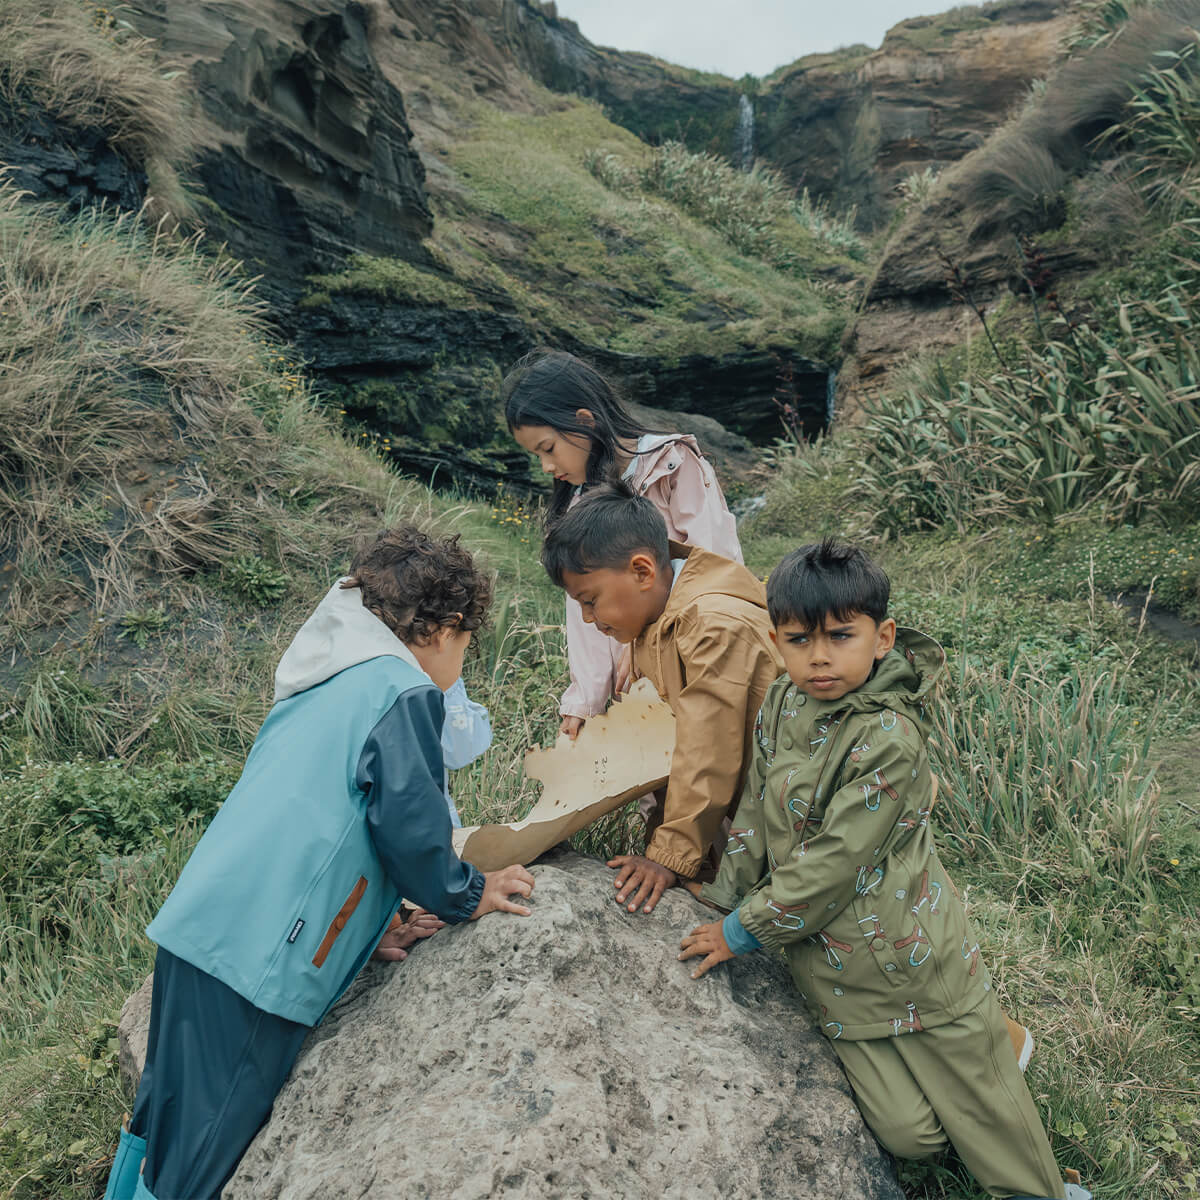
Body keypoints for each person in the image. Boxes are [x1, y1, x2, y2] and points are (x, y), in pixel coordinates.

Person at [102, 527, 535, 1200]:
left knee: (163, 1116)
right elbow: (408, 826)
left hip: (205, 929)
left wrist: (371, 927)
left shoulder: (328, 674)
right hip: (259, 960)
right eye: (468, 645)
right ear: (447, 627)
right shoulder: (400, 688)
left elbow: (323, 822)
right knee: (206, 1142)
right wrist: (465, 892)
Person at [678, 538, 1091, 1200]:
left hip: (920, 961)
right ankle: (1000, 1056)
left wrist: (742, 929)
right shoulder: (785, 702)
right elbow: (756, 799)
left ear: (882, 636)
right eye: (797, 639)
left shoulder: (890, 739)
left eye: (841, 636)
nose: (818, 657)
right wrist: (724, 894)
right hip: (839, 971)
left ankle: (1036, 1163)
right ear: (775, 640)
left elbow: (836, 862)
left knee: (996, 1131)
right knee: (910, 1136)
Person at [540, 482, 781, 916]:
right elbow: (670, 743)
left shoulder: (712, 626)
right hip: (760, 804)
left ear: (642, 571)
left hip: (811, 809)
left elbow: (709, 748)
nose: (588, 619)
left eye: (590, 601)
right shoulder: (656, 620)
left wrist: (667, 857)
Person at [504, 348, 742, 743]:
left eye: (548, 448)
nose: (547, 466)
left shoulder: (671, 464)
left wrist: (643, 644)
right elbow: (586, 622)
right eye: (536, 456)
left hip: (699, 667)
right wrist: (584, 702)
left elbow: (715, 565)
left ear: (584, 421)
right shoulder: (578, 507)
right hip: (635, 696)